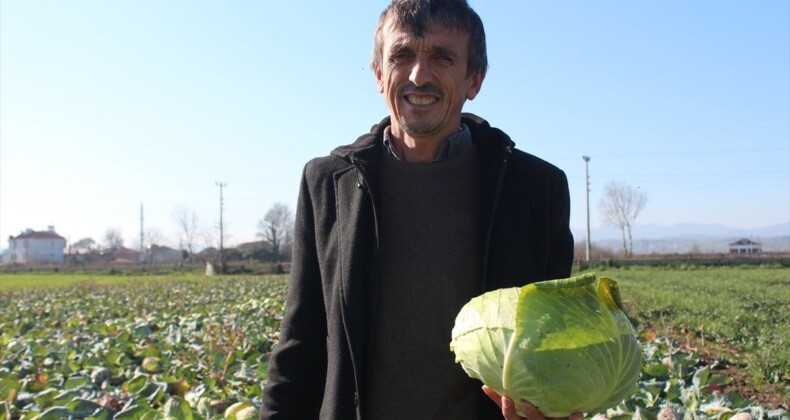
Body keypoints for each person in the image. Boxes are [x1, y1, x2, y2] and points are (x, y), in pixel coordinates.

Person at [260, 0, 575, 419]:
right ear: (377, 74)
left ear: (474, 80)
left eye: (442, 57)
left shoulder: (536, 190)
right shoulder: (328, 184)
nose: (419, 75)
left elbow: (556, 348)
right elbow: (299, 348)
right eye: (401, 55)